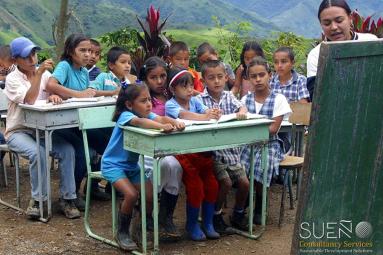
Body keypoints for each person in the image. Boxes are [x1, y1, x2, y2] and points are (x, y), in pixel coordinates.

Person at [101, 83, 184, 250]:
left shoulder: (145, 114)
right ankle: (122, 231)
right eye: (143, 101)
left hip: (131, 167)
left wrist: (175, 122)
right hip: (113, 166)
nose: (148, 104)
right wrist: (162, 127)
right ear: (130, 104)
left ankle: (140, 227)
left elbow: (161, 118)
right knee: (131, 194)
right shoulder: (125, 115)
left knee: (149, 194)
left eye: (149, 100)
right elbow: (139, 122)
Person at [4, 37, 80, 219]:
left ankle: (67, 198)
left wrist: (54, 94)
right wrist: (38, 76)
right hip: (18, 131)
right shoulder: (12, 79)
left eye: (34, 54)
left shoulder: (45, 75)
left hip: (42, 130)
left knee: (68, 150)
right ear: (15, 60)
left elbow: (54, 90)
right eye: (26, 57)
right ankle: (38, 201)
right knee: (37, 153)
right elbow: (29, 100)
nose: (32, 60)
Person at [46, 33, 110, 203]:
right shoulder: (64, 66)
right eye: (83, 50)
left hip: (80, 122)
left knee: (108, 140)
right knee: (85, 151)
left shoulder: (82, 71)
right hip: (64, 125)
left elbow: (85, 95)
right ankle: (71, 195)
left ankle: (94, 186)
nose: (88, 54)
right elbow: (51, 85)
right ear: (70, 51)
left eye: (89, 50)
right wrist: (79, 95)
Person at [165, 67, 220, 241]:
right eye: (184, 86)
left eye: (190, 85)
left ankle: (208, 223)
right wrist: (204, 117)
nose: (190, 89)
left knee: (212, 185)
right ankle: (192, 224)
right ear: (173, 89)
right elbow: (184, 115)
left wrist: (212, 113)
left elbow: (204, 111)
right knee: (196, 187)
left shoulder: (195, 101)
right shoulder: (170, 104)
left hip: (202, 154)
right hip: (184, 155)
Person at [198, 60, 250, 233]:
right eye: (211, 78)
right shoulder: (199, 99)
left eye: (220, 77)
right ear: (204, 81)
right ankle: (215, 215)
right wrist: (207, 115)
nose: (217, 81)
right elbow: (199, 118)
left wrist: (242, 112)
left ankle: (238, 214)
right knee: (226, 183)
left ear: (226, 77)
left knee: (244, 184)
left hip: (232, 151)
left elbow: (241, 107)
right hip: (213, 152)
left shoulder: (228, 96)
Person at [240, 57, 291, 225]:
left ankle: (261, 204)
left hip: (270, 144)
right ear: (248, 78)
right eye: (253, 76)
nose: (258, 79)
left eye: (262, 75)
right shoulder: (244, 101)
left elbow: (273, 130)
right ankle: (244, 200)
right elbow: (240, 128)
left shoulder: (279, 99)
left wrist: (250, 126)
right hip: (248, 144)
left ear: (270, 75)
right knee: (241, 163)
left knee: (264, 163)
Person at [138, 56, 183, 239]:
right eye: (153, 77)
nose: (159, 81)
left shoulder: (172, 95)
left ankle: (166, 216)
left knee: (175, 167)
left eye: (163, 76)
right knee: (163, 166)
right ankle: (146, 215)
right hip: (145, 149)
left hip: (169, 148)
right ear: (144, 79)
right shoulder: (141, 99)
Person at [306, 0, 377, 100]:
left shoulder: (370, 42)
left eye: (339, 21)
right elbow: (317, 97)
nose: (334, 27)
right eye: (327, 23)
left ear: (350, 18)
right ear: (321, 24)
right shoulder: (316, 55)